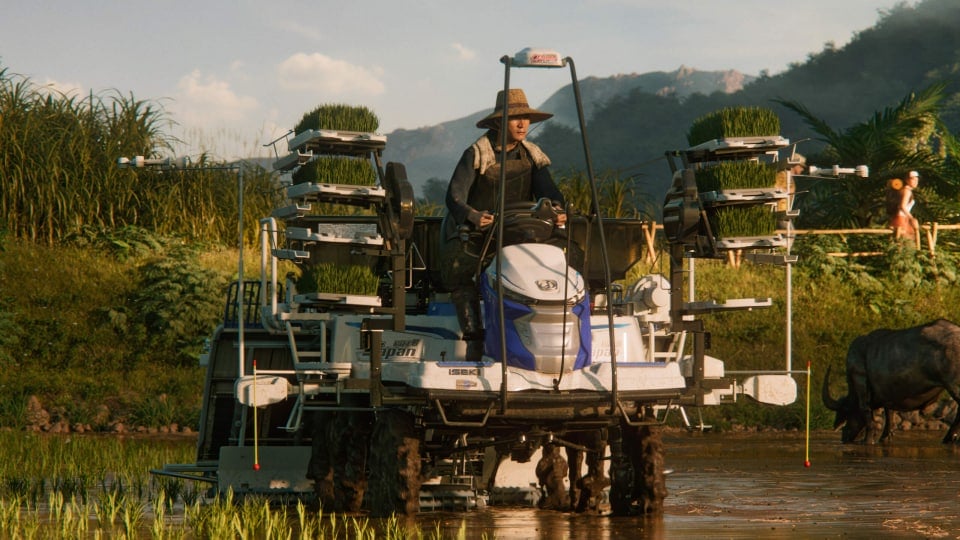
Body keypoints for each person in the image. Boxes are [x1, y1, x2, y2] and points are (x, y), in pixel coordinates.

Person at [437, 88, 568, 361]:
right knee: (462, 274)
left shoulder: (533, 156)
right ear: (499, 121)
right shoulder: (476, 153)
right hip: (474, 234)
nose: (522, 125)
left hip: (517, 232)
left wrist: (558, 210)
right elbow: (454, 196)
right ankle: (474, 340)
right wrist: (473, 216)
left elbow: (551, 193)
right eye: (515, 118)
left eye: (526, 119)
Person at [889, 170, 920, 241]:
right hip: (901, 218)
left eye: (917, 179)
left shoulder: (904, 190)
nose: (915, 181)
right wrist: (912, 218)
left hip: (901, 217)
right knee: (904, 240)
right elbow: (902, 206)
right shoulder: (907, 191)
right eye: (913, 179)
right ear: (907, 180)